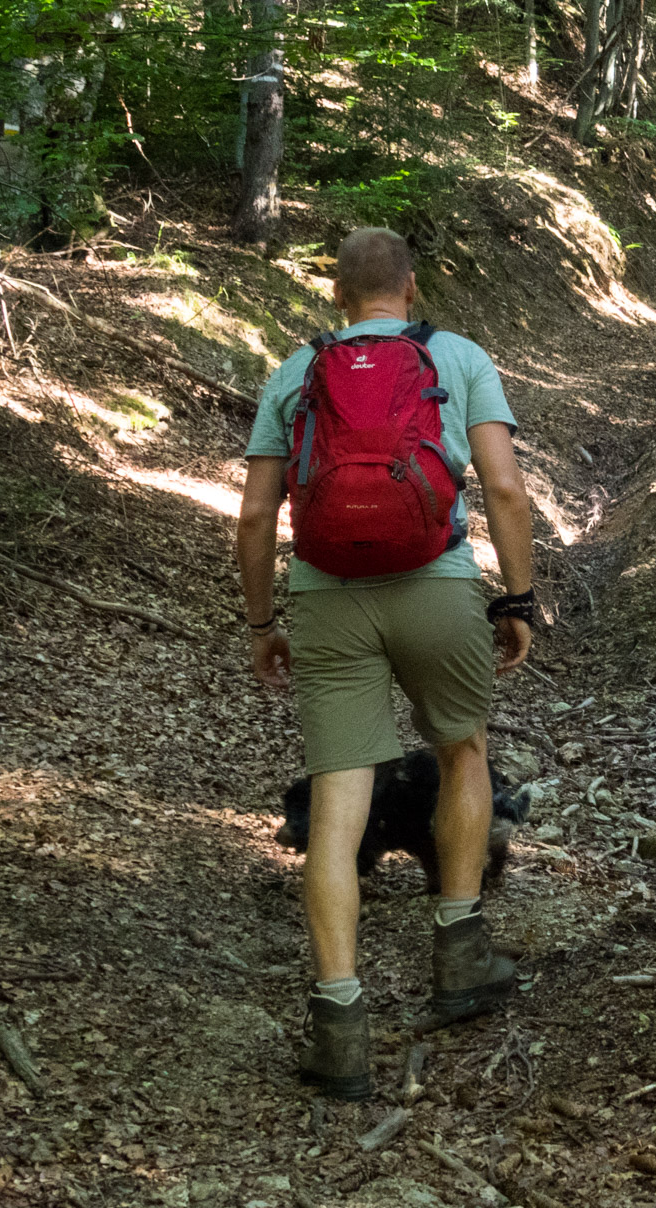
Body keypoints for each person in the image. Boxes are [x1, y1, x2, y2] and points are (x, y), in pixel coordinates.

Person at [235, 227, 536, 1099]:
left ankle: (338, 1029)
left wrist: (263, 622)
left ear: (337, 294)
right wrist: (515, 599)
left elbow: (255, 519)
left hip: (326, 599)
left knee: (339, 801)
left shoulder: (296, 371)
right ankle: (461, 952)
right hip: (437, 584)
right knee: (463, 751)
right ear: (410, 286)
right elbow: (506, 488)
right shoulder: (459, 356)